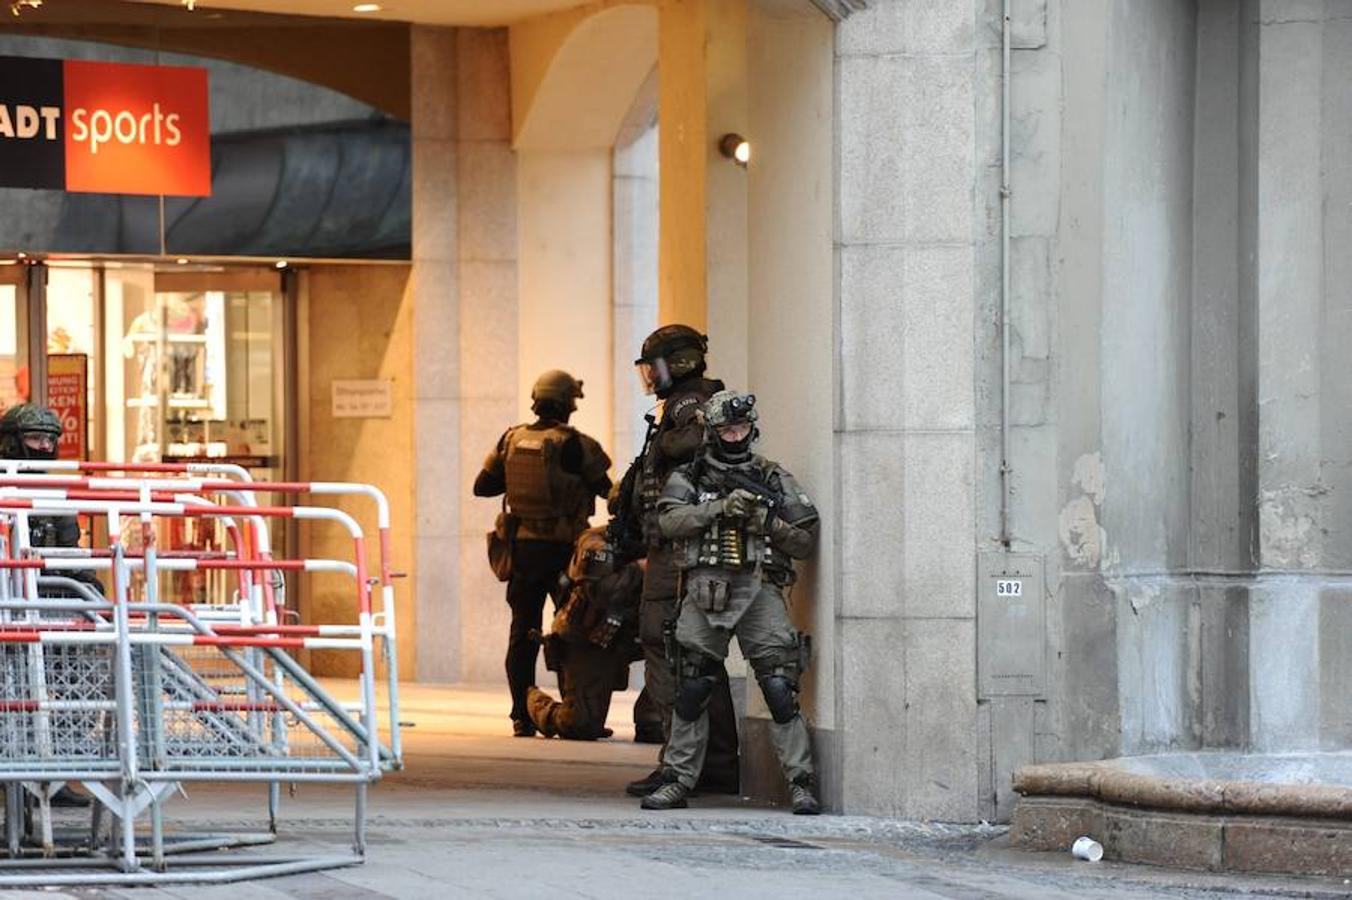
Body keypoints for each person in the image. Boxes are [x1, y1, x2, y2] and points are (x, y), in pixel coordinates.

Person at [640, 391, 821, 814]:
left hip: (759, 591)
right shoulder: (691, 476)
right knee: (692, 687)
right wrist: (720, 508)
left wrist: (764, 521)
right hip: (706, 592)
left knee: (779, 686)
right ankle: (678, 779)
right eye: (726, 430)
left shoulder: (772, 477)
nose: (735, 436)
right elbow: (669, 520)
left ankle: (800, 782)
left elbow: (804, 540)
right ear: (713, 433)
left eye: (740, 428)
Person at [623, 326, 740, 797]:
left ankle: (683, 765)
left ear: (682, 363)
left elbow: (695, 448)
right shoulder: (688, 406)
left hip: (679, 553)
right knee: (693, 654)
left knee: (668, 648)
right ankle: (710, 763)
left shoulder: (690, 408)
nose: (652, 376)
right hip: (675, 548)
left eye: (658, 365)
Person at [474, 370, 612, 737]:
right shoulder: (577, 445)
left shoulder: (511, 439)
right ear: (569, 405)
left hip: (523, 553)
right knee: (573, 630)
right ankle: (575, 711)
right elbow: (608, 491)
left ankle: (521, 714)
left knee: (523, 632)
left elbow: (482, 486)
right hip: (566, 555)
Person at [0, 403, 94, 808]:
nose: (43, 447)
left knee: (84, 681)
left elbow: (70, 554)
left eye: (49, 440)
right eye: (34, 439)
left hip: (47, 604)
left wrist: (89, 594)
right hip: (6, 605)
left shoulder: (53, 491)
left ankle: (53, 772)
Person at [526, 523, 643, 740]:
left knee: (658, 727)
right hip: (590, 637)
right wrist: (638, 570)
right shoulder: (597, 541)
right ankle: (538, 705)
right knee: (580, 725)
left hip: (635, 635)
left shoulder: (671, 539)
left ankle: (651, 719)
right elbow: (597, 592)